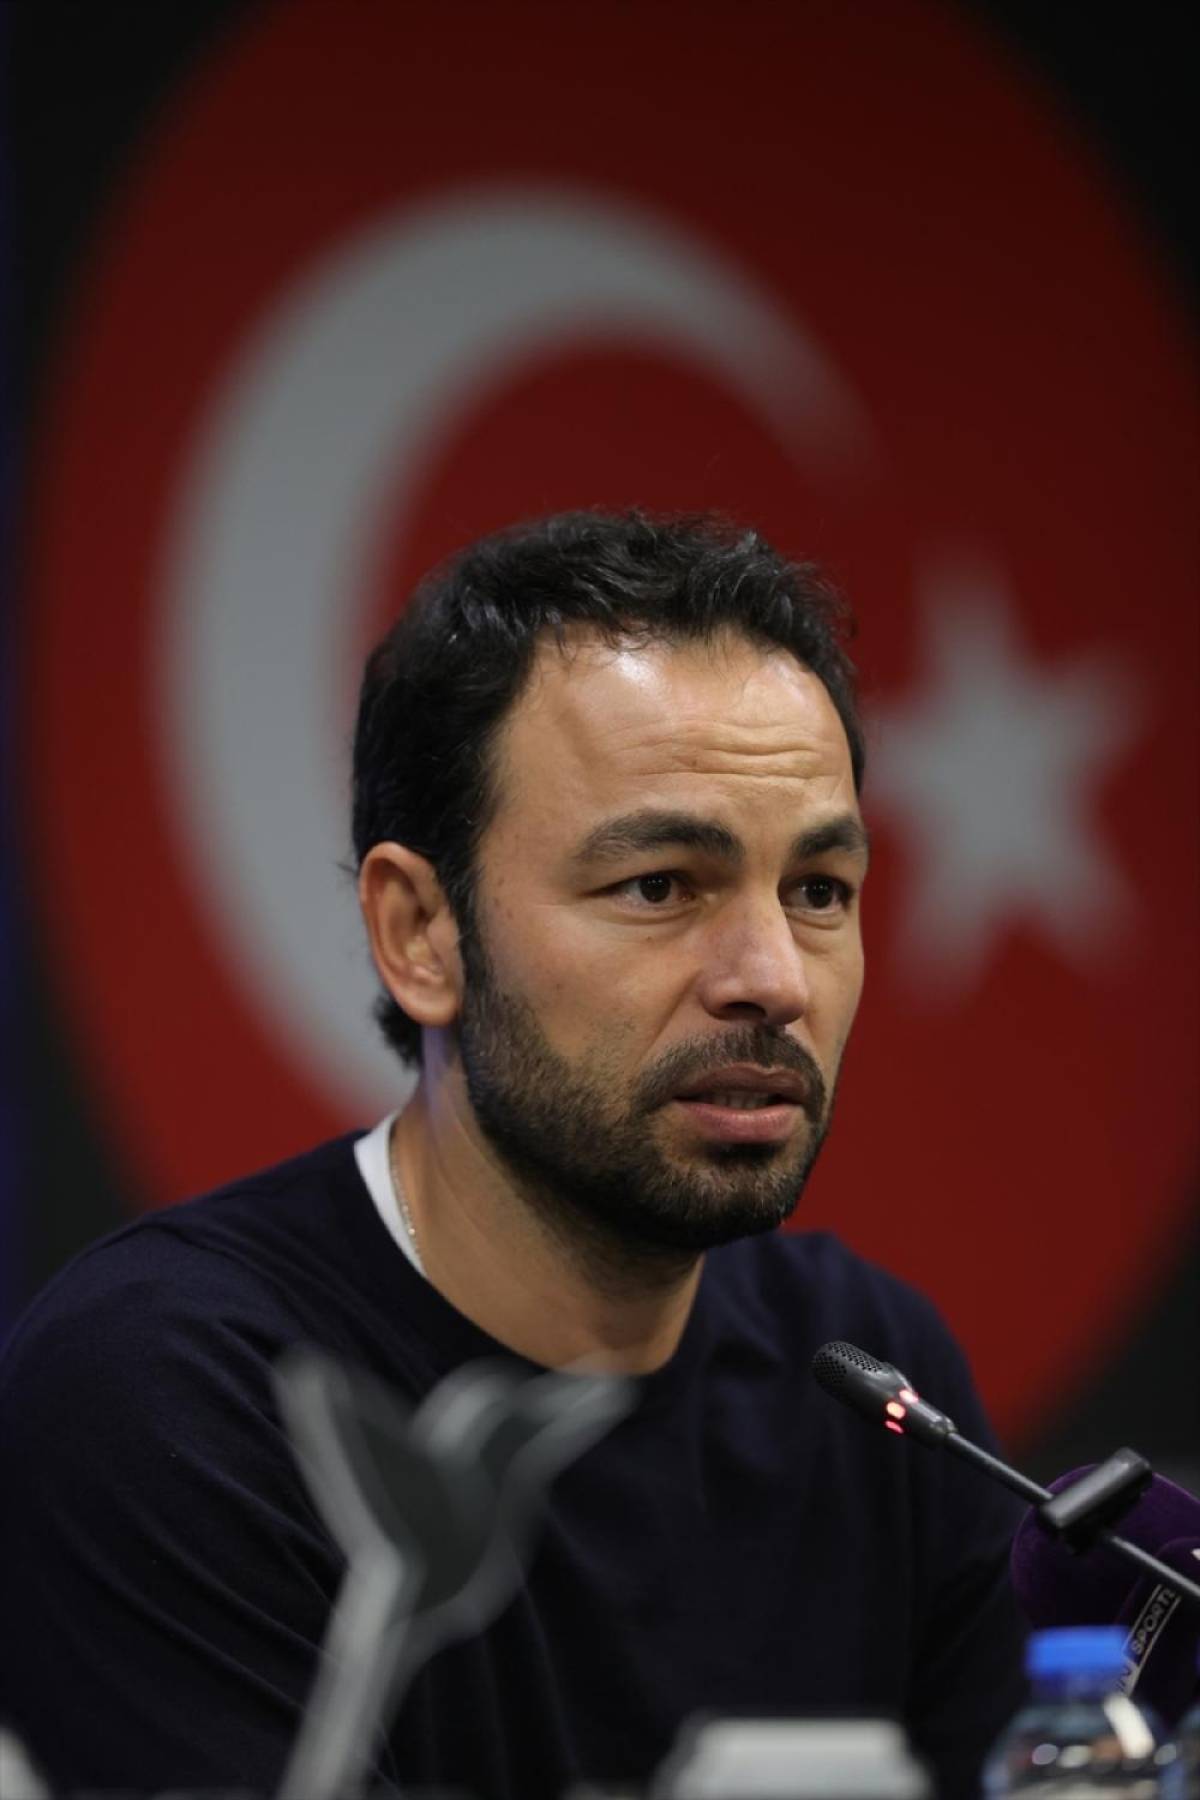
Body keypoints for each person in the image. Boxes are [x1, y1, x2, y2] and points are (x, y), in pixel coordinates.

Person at [0, 511, 1026, 1798]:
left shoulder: (871, 1381)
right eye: (659, 885)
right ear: (421, 933)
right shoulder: (173, 1395)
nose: (772, 979)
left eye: (818, 890)